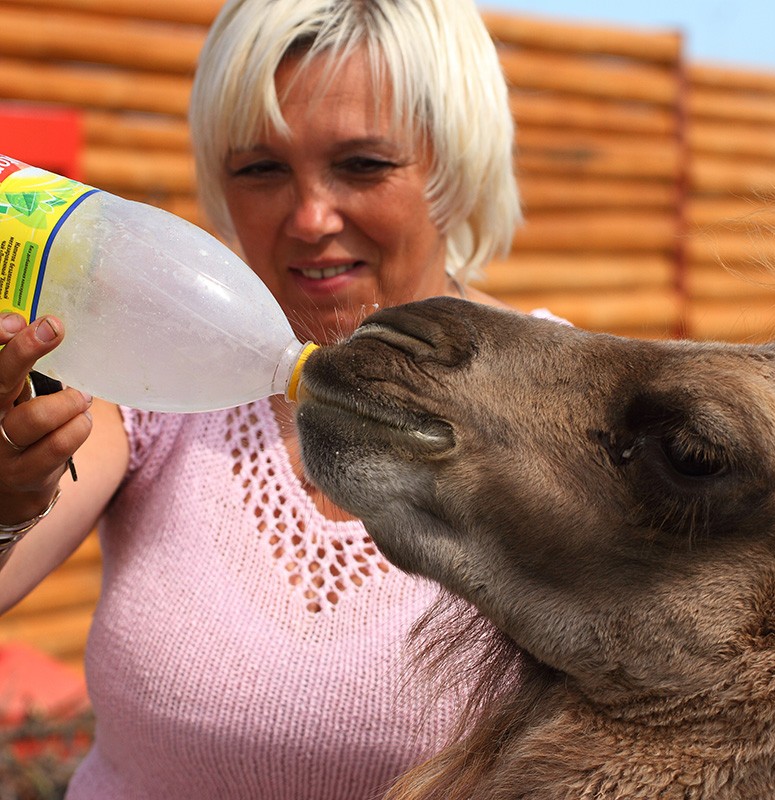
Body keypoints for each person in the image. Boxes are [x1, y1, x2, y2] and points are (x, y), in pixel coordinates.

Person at [0, 0, 534, 797]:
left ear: (454, 168)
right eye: (261, 169)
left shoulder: (559, 411)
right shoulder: (155, 384)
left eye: (363, 165)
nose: (311, 218)